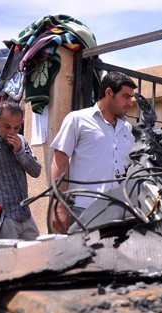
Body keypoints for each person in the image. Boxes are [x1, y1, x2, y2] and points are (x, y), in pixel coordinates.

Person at [50, 71, 137, 233]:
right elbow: (59, 162)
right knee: (80, 257)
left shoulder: (127, 129)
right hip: (83, 210)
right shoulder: (77, 120)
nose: (130, 103)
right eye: (126, 96)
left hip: (119, 212)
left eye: (131, 97)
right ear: (109, 93)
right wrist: (59, 206)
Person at [0, 101, 41, 240]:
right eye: (7, 127)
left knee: (36, 258)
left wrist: (20, 151)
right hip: (3, 218)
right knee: (5, 260)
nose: (12, 132)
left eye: (16, 128)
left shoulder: (21, 141)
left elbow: (36, 171)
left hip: (25, 216)